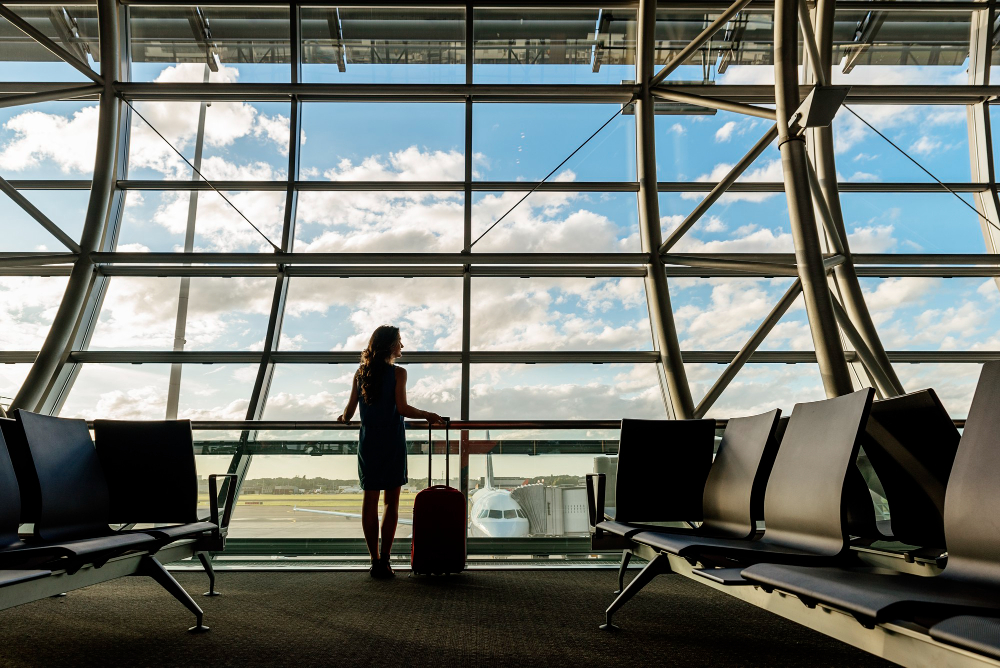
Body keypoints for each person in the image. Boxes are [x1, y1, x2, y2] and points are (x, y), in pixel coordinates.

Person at [337, 325, 443, 579]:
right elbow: (402, 408)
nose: (402, 346)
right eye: (399, 341)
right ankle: (385, 560)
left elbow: (349, 412)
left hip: (369, 441)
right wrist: (427, 414)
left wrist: (343, 418)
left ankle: (374, 560)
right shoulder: (399, 373)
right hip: (392, 440)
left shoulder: (361, 373)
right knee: (391, 503)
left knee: (370, 501)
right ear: (389, 346)